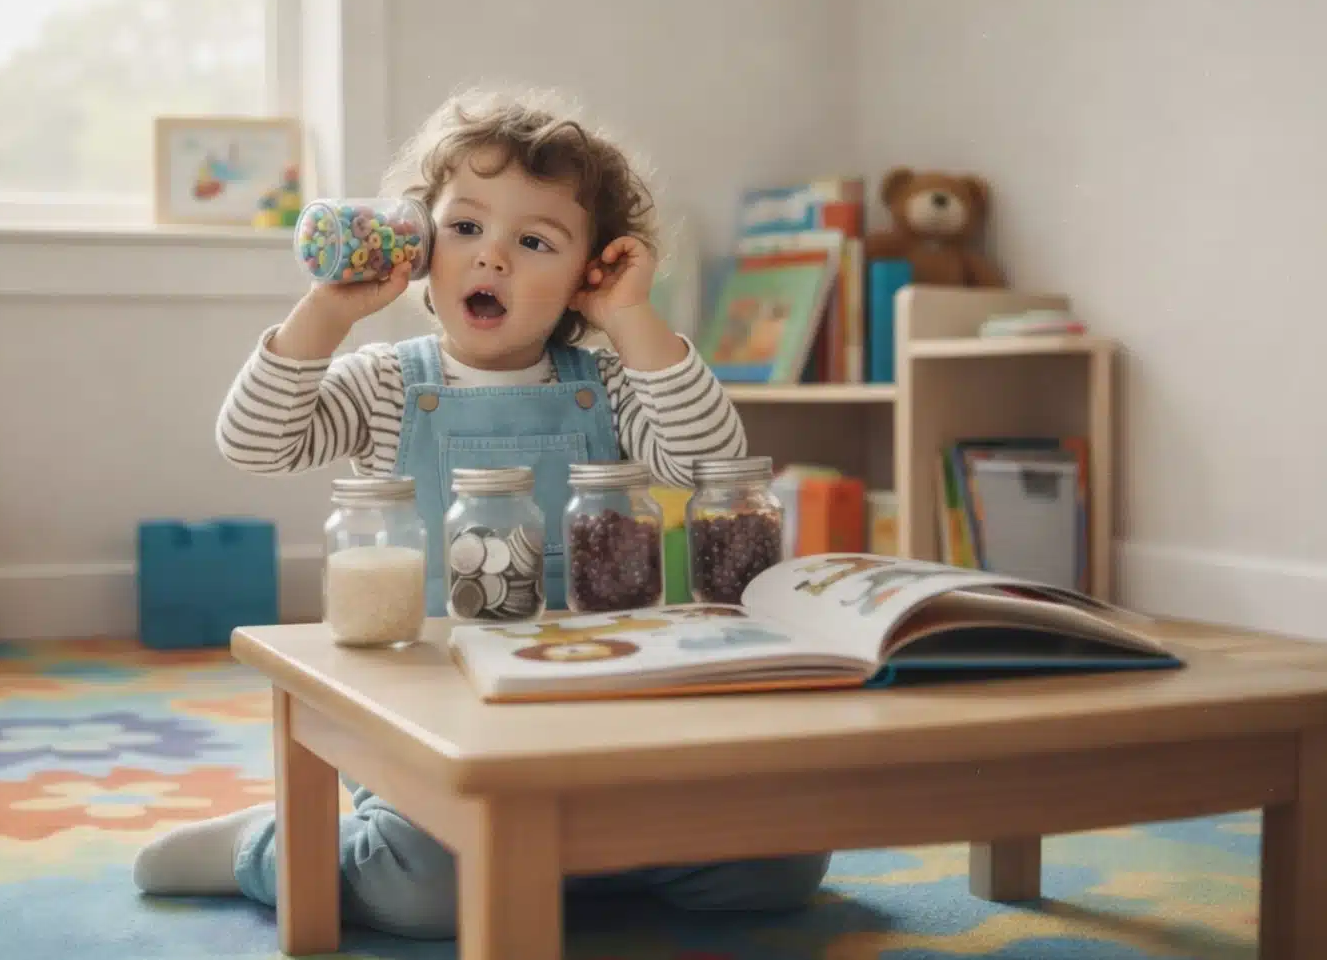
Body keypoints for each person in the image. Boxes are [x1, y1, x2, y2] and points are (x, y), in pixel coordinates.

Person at [133, 87, 830, 938]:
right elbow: (257, 441)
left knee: (781, 867)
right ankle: (271, 847)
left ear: (586, 277)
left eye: (534, 242)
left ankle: (559, 863)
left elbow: (707, 460)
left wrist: (632, 318)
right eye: (464, 229)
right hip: (425, 707)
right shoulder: (387, 383)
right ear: (419, 245)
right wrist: (326, 311)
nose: (491, 257)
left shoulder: (608, 383)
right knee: (427, 894)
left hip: (599, 709)